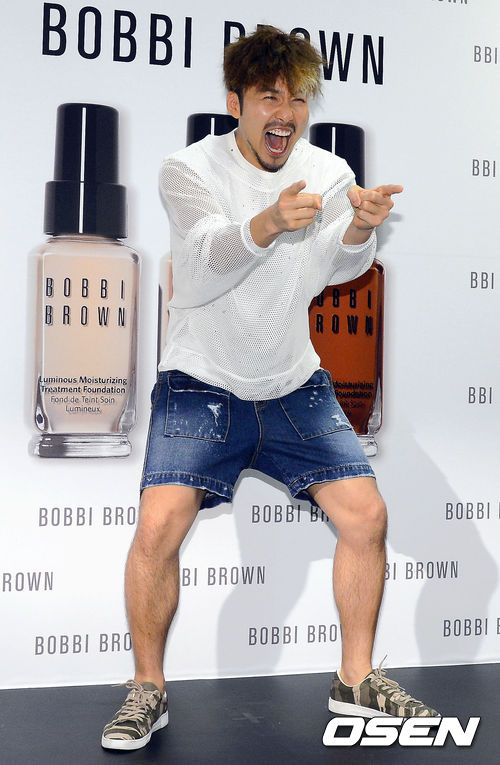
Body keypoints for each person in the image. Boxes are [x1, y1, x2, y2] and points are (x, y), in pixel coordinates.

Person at [101, 25, 438, 752]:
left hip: (292, 380)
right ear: (236, 103)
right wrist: (265, 222)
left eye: (298, 99)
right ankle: (147, 688)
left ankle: (354, 680)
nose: (285, 114)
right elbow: (200, 263)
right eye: (269, 98)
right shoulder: (187, 169)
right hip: (201, 380)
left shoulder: (329, 169)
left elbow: (336, 271)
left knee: (366, 515)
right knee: (158, 527)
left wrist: (360, 231)